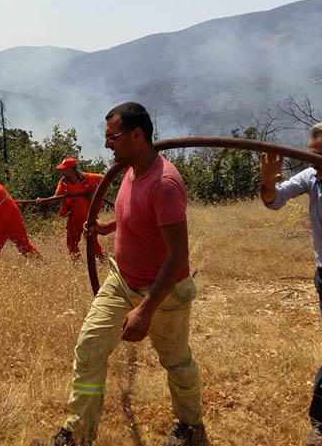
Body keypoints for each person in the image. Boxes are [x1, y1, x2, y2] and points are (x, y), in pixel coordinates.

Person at [33, 102, 207, 446]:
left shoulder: (166, 184)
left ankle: (190, 425)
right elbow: (136, 217)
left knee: (176, 361)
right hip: (121, 281)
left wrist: (145, 309)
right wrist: (106, 227)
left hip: (164, 293)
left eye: (112, 137)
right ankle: (76, 434)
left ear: (136, 135)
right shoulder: (129, 170)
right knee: (89, 348)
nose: (107, 144)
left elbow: (177, 257)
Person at [260, 120, 322, 446]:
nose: (313, 162)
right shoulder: (312, 177)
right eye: (310, 154)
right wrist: (267, 184)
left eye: (321, 156)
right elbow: (275, 200)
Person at [35, 158, 104, 260]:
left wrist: (96, 194)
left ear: (72, 169)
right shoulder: (63, 182)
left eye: (64, 169)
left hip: (88, 215)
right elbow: (56, 197)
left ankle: (103, 260)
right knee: (71, 242)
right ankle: (77, 265)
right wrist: (43, 200)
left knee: (91, 241)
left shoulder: (87, 177)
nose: (62, 171)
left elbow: (105, 178)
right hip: (74, 216)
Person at [0, 171, 40, 257]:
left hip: (7, 225)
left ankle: (42, 264)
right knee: (25, 248)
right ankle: (42, 263)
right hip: (10, 222)